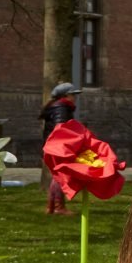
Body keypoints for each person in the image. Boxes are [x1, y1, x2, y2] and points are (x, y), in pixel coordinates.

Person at [39, 82, 80, 216]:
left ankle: (51, 207)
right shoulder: (61, 107)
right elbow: (60, 128)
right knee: (60, 176)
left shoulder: (57, 106)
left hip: (54, 145)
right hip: (59, 146)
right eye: (73, 94)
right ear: (66, 95)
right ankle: (58, 207)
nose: (75, 97)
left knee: (56, 176)